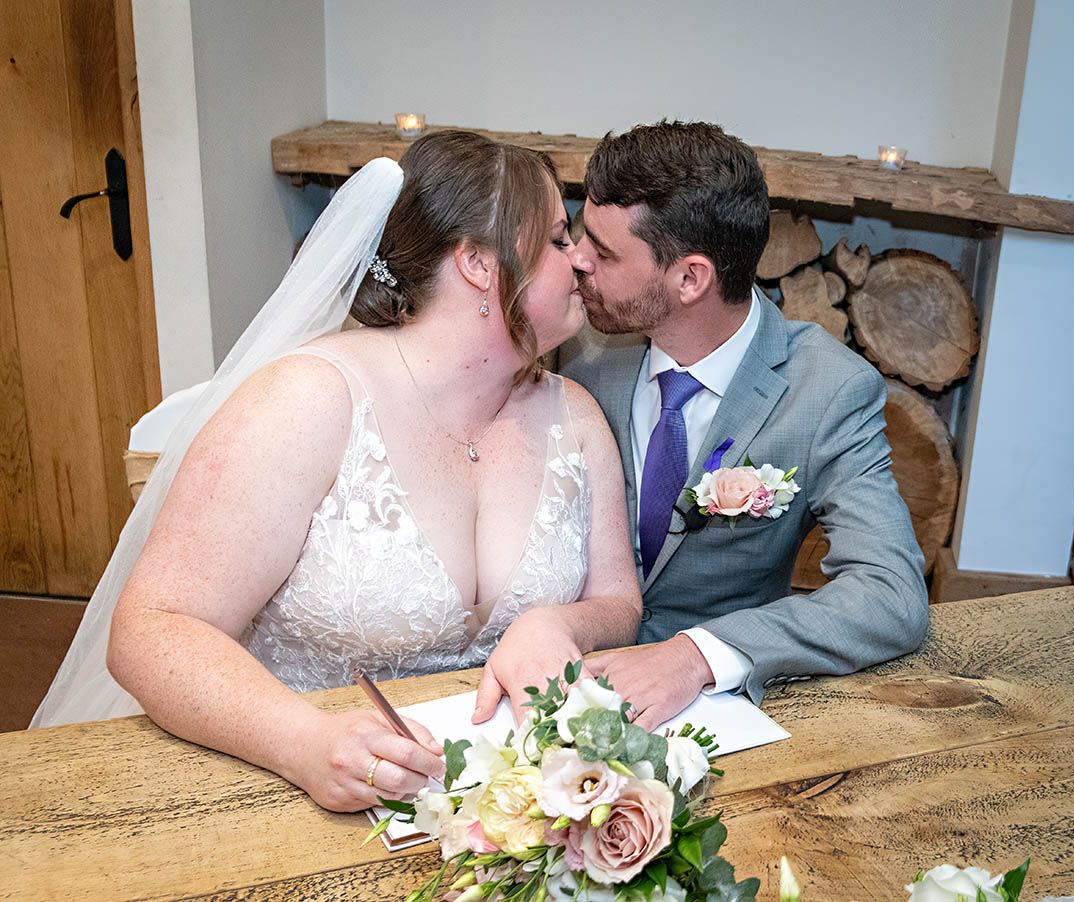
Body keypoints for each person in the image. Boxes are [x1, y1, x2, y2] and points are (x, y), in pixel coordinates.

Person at [33, 131, 641, 813]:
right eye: (558, 239)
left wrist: (560, 624)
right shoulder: (307, 403)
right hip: (286, 786)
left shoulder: (575, 417)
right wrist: (305, 742)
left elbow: (620, 602)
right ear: (477, 263)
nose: (581, 258)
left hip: (512, 802)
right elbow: (151, 629)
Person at [559, 121, 928, 730]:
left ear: (690, 278)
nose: (576, 260)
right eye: (580, 235)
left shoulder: (828, 390)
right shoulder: (577, 345)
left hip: (711, 715)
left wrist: (698, 655)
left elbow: (890, 594)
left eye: (604, 252)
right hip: (556, 677)